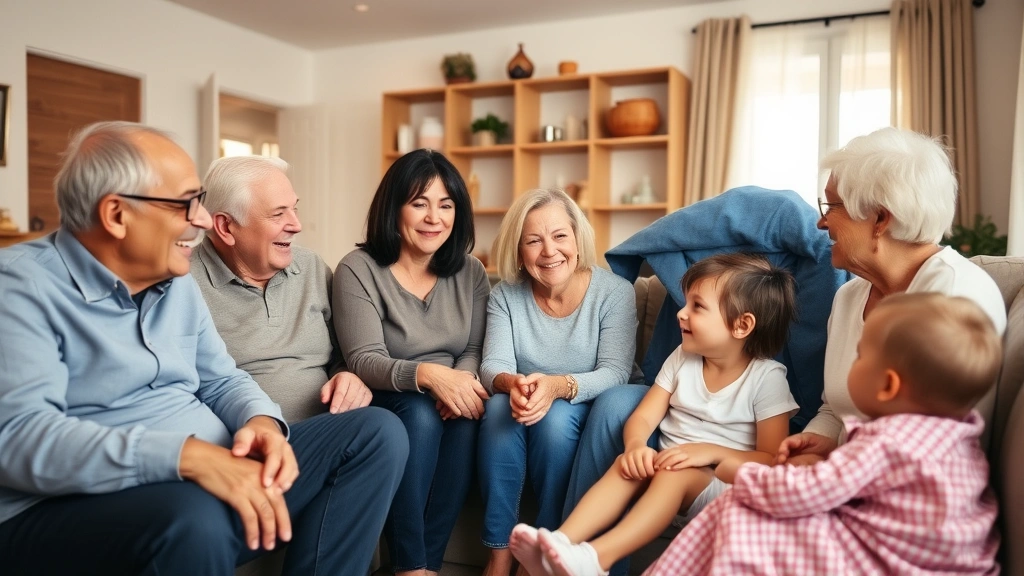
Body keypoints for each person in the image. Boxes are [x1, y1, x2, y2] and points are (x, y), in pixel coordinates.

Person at [0, 122, 407, 575]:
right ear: (116, 215)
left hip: (210, 476)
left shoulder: (173, 281)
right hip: (81, 503)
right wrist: (188, 457)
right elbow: (17, 439)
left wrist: (262, 423)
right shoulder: (20, 286)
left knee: (374, 431)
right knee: (194, 520)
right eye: (185, 204)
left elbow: (220, 378)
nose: (199, 219)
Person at [645, 293, 1002, 575]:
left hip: (892, 564)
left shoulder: (886, 444)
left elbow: (806, 493)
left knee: (737, 516)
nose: (852, 363)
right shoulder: (958, 440)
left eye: (860, 357)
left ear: (888, 385)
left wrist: (742, 473)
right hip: (955, 565)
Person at [511, 253, 799, 576]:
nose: (681, 313)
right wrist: (635, 446)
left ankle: (596, 559)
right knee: (626, 465)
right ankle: (558, 546)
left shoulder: (767, 379)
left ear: (742, 325)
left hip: (723, 488)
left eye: (697, 307)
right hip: (668, 472)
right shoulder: (682, 359)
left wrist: (710, 453)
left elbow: (774, 460)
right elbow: (644, 417)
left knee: (674, 473)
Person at [777, 127, 1007, 468]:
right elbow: (836, 409)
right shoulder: (848, 297)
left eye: (831, 206)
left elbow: (934, 442)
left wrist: (827, 471)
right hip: (849, 474)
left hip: (908, 492)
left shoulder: (955, 295)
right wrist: (820, 438)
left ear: (880, 218)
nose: (821, 222)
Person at [333, 149, 490, 576]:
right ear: (394, 207)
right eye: (419, 203)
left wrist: (459, 381)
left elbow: (473, 349)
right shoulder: (357, 269)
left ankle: (428, 567)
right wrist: (428, 376)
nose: (433, 218)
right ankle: (408, 566)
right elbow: (363, 358)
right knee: (420, 415)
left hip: (448, 391)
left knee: (470, 414)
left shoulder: (471, 272)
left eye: (445, 205)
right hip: (390, 395)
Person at [477, 188, 640, 576]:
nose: (549, 251)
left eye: (559, 236)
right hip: (529, 399)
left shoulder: (614, 292)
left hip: (589, 402)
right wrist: (511, 382)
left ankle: (547, 547)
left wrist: (556, 386)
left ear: (578, 241)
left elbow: (615, 371)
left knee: (553, 422)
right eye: (533, 240)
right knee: (498, 406)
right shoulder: (505, 296)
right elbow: (491, 366)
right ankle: (500, 553)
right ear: (519, 252)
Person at [191, 155, 371, 423]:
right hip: (242, 437)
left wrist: (347, 375)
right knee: (382, 428)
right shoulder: (183, 282)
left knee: (384, 423)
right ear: (226, 226)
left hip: (324, 428)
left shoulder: (311, 267)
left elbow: (342, 354)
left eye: (294, 209)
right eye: (278, 214)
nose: (296, 225)